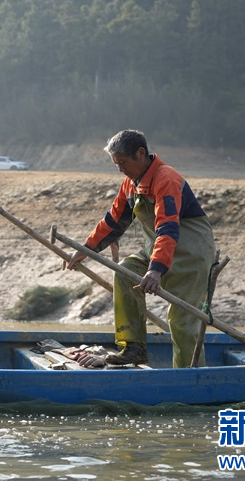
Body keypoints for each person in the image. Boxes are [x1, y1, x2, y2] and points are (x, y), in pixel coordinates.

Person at [64, 129, 215, 368]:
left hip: (190, 253)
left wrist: (155, 270)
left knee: (182, 320)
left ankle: (189, 377)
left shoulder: (166, 179)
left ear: (141, 154)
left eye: (123, 162)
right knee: (125, 271)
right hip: (158, 248)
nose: (121, 169)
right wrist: (85, 249)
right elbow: (113, 221)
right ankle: (132, 347)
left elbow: (167, 227)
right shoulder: (130, 184)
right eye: (116, 164)